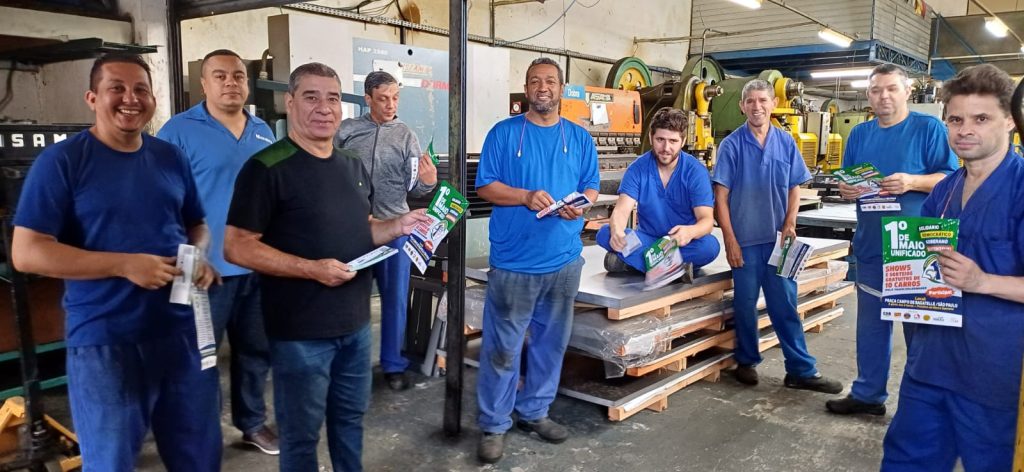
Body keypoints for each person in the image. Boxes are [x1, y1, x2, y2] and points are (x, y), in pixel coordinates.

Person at [10, 53, 221, 471]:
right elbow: (27, 252)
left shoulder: (169, 157)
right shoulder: (63, 161)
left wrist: (197, 255)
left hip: (180, 332)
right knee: (111, 462)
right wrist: (124, 265)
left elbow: (196, 224)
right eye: (117, 89)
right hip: (106, 340)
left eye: (141, 89)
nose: (131, 98)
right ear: (92, 98)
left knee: (199, 457)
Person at [223, 62, 429, 472]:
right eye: (311, 97)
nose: (324, 107)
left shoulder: (351, 164)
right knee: (301, 436)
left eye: (332, 98)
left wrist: (397, 225)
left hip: (355, 328)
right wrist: (311, 269)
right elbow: (236, 246)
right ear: (290, 103)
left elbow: (363, 226)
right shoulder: (266, 167)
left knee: (349, 422)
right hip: (300, 335)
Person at [880, 64, 1024, 471]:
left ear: (1010, 121)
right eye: (956, 120)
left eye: (981, 119)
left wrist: (983, 281)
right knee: (905, 461)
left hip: (995, 374)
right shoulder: (943, 191)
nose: (965, 130)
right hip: (930, 364)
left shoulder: (1020, 189)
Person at [474, 57, 599, 464]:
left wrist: (582, 205)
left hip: (564, 262)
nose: (542, 87)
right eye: (534, 81)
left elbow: (591, 186)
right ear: (526, 88)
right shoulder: (504, 133)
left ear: (561, 88)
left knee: (550, 345)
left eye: (550, 81)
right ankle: (494, 424)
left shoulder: (579, 138)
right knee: (502, 348)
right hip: (514, 263)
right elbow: (486, 186)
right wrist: (525, 197)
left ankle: (535, 411)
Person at [158, 49, 279, 454]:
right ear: (203, 83)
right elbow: (162, 199)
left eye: (238, 76)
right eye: (220, 76)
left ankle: (253, 422)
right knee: (200, 356)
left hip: (256, 264)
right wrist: (184, 257)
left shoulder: (263, 130)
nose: (231, 83)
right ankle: (200, 430)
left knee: (256, 350)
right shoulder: (178, 131)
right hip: (203, 269)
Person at [826, 64, 958, 416]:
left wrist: (913, 182)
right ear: (868, 95)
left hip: (912, 247)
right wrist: (846, 189)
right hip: (871, 243)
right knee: (871, 325)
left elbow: (951, 179)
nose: (883, 96)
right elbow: (846, 181)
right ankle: (868, 395)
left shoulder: (928, 128)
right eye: (875, 90)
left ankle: (923, 405)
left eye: (891, 89)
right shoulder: (860, 134)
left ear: (907, 91)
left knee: (919, 329)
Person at [712, 79, 843, 394]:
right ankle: (746, 361)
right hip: (745, 241)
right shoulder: (731, 145)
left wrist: (790, 222)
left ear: (773, 104)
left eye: (762, 100)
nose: (756, 106)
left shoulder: (785, 142)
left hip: (779, 243)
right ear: (742, 106)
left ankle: (801, 369)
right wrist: (729, 240)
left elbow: (794, 186)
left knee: (785, 304)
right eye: (750, 101)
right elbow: (721, 197)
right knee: (745, 305)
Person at [335, 70, 437, 391]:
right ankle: (348, 366)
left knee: (394, 299)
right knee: (349, 300)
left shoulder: (406, 135)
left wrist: (429, 182)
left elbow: (416, 186)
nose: (391, 104)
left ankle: (394, 365)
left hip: (396, 229)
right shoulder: (347, 131)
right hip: (354, 229)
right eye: (383, 99)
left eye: (395, 98)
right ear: (368, 99)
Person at [597, 107, 720, 277]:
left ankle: (639, 264)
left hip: (679, 243)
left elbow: (706, 221)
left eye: (673, 141)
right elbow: (621, 211)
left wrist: (690, 232)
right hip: (647, 240)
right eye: (660, 139)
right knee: (605, 233)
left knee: (709, 247)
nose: (666, 147)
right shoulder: (637, 169)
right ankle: (673, 269)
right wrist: (617, 231)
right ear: (651, 137)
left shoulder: (696, 172)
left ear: (683, 141)